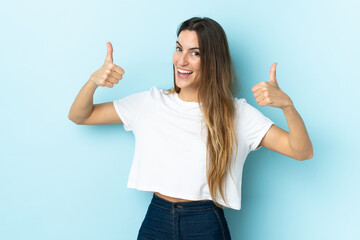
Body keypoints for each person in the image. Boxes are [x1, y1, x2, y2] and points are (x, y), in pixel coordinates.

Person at [68, 17, 313, 240]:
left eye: (194, 53)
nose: (181, 60)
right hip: (157, 218)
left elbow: (301, 151)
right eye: (178, 48)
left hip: (205, 223)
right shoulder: (150, 103)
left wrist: (287, 107)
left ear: (213, 60)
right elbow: (80, 115)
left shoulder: (237, 114)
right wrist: (93, 82)